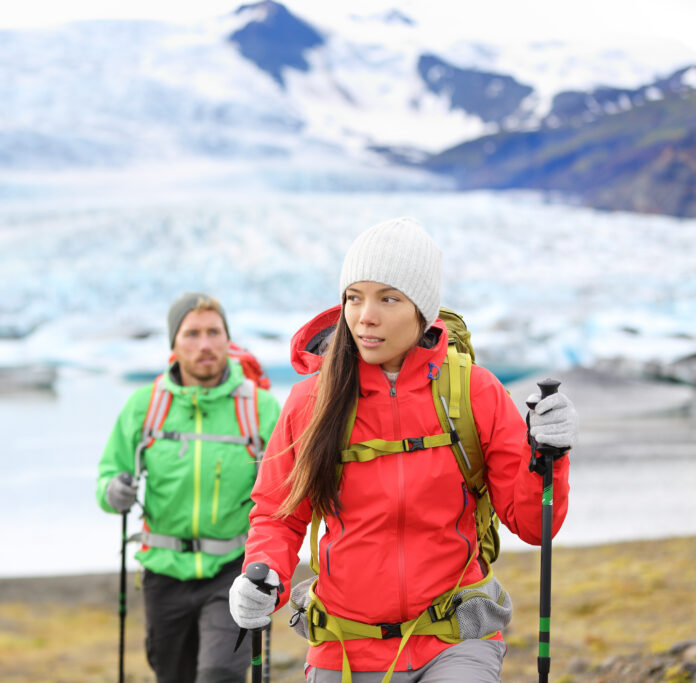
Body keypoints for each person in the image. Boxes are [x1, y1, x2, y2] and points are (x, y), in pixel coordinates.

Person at [228, 217, 577, 682]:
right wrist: (265, 573)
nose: (364, 316)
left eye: (388, 298)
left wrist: (549, 454)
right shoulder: (311, 400)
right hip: (343, 646)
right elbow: (277, 513)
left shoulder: (474, 392)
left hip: (455, 640)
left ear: (423, 309)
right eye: (354, 297)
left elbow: (536, 525)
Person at [97, 292, 282, 683]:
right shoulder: (144, 405)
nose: (205, 344)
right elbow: (108, 475)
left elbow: (286, 488)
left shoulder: (260, 408)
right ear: (173, 344)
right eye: (192, 333)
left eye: (214, 332)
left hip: (232, 568)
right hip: (164, 574)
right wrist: (115, 490)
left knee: (219, 673)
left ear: (227, 340)